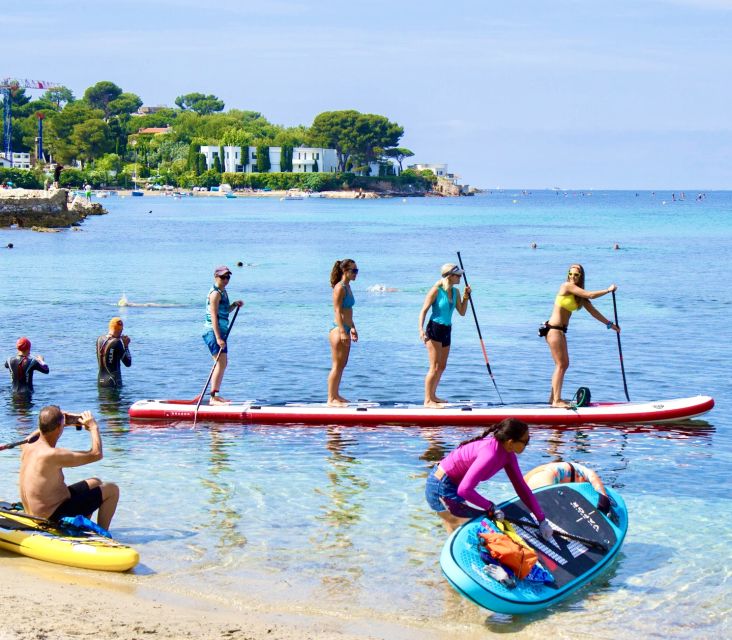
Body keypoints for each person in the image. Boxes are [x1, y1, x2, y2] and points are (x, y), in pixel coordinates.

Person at [425, 418, 555, 537]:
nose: (527, 445)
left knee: (461, 528)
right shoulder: (490, 454)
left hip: (453, 484)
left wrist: (541, 520)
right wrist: (491, 507)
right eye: (525, 441)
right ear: (510, 442)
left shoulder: (508, 454)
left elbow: (522, 488)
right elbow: (464, 490)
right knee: (468, 531)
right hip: (440, 486)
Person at [19, 406, 119, 530]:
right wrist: (93, 427)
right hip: (50, 516)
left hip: (36, 510)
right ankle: (103, 536)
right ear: (58, 428)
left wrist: (59, 422)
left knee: (95, 482)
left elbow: (37, 433)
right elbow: (96, 454)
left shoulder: (27, 445)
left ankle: (80, 527)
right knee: (112, 489)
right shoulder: (52, 454)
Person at [542, 264, 619, 407]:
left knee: (563, 364)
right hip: (553, 330)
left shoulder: (579, 295)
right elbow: (590, 295)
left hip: (560, 331)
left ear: (581, 276)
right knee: (561, 364)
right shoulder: (566, 286)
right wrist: (608, 290)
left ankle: (553, 399)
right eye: (570, 274)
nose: (572, 277)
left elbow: (594, 312)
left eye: (576, 275)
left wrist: (610, 325)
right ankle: (556, 401)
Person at [418, 264, 471, 407]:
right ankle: (427, 400)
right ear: (450, 276)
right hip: (434, 328)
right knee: (434, 366)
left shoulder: (456, 292)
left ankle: (433, 396)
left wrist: (466, 297)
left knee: (442, 366)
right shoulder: (436, 290)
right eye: (458, 275)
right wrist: (421, 330)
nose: (460, 277)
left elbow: (462, 312)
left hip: (447, 329)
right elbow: (423, 311)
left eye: (460, 275)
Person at [202, 266, 244, 404]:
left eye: (228, 277)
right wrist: (218, 337)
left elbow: (224, 311)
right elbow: (214, 316)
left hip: (220, 333)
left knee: (222, 363)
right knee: (221, 363)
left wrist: (234, 305)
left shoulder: (223, 291)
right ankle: (213, 397)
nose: (226, 280)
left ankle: (215, 395)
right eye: (223, 277)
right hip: (213, 333)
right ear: (216, 277)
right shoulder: (215, 294)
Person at [524, 461, 611, 514]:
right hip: (544, 478)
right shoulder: (581, 471)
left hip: (529, 480)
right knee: (555, 512)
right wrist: (603, 496)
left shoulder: (561, 469)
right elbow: (592, 475)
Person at [328, 259, 359, 406]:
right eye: (353, 271)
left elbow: (348, 311)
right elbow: (338, 311)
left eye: (356, 271)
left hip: (346, 328)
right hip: (338, 330)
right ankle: (331, 398)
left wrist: (352, 328)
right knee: (336, 364)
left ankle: (336, 395)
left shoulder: (348, 286)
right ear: (345, 271)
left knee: (342, 364)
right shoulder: (339, 288)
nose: (356, 274)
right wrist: (342, 331)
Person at [96, 317, 131, 388]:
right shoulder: (117, 343)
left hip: (100, 381)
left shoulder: (100, 339)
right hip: (113, 382)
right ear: (121, 330)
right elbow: (128, 363)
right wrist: (126, 346)